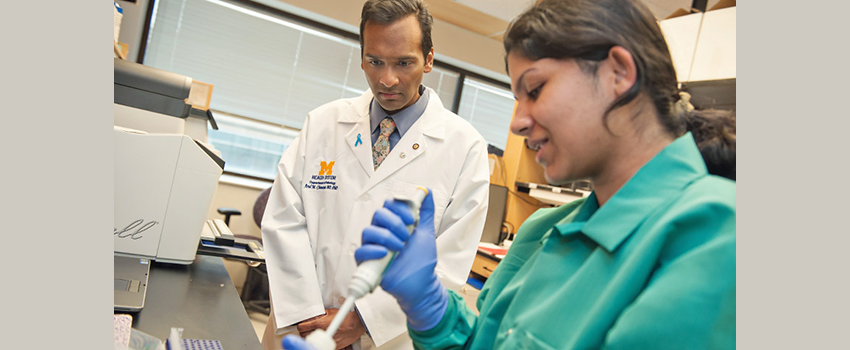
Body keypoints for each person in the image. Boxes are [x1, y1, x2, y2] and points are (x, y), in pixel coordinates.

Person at [283, 0, 736, 348]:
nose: (517, 122)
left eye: (534, 89)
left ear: (618, 73)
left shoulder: (717, 235)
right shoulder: (543, 231)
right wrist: (430, 309)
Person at [260, 0, 491, 349]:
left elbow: (448, 265)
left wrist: (363, 319)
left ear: (429, 59)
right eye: (375, 61)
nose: (387, 79)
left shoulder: (465, 147)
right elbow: (282, 219)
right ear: (362, 56)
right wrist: (307, 315)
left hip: (386, 339)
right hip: (300, 327)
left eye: (404, 63)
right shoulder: (322, 123)